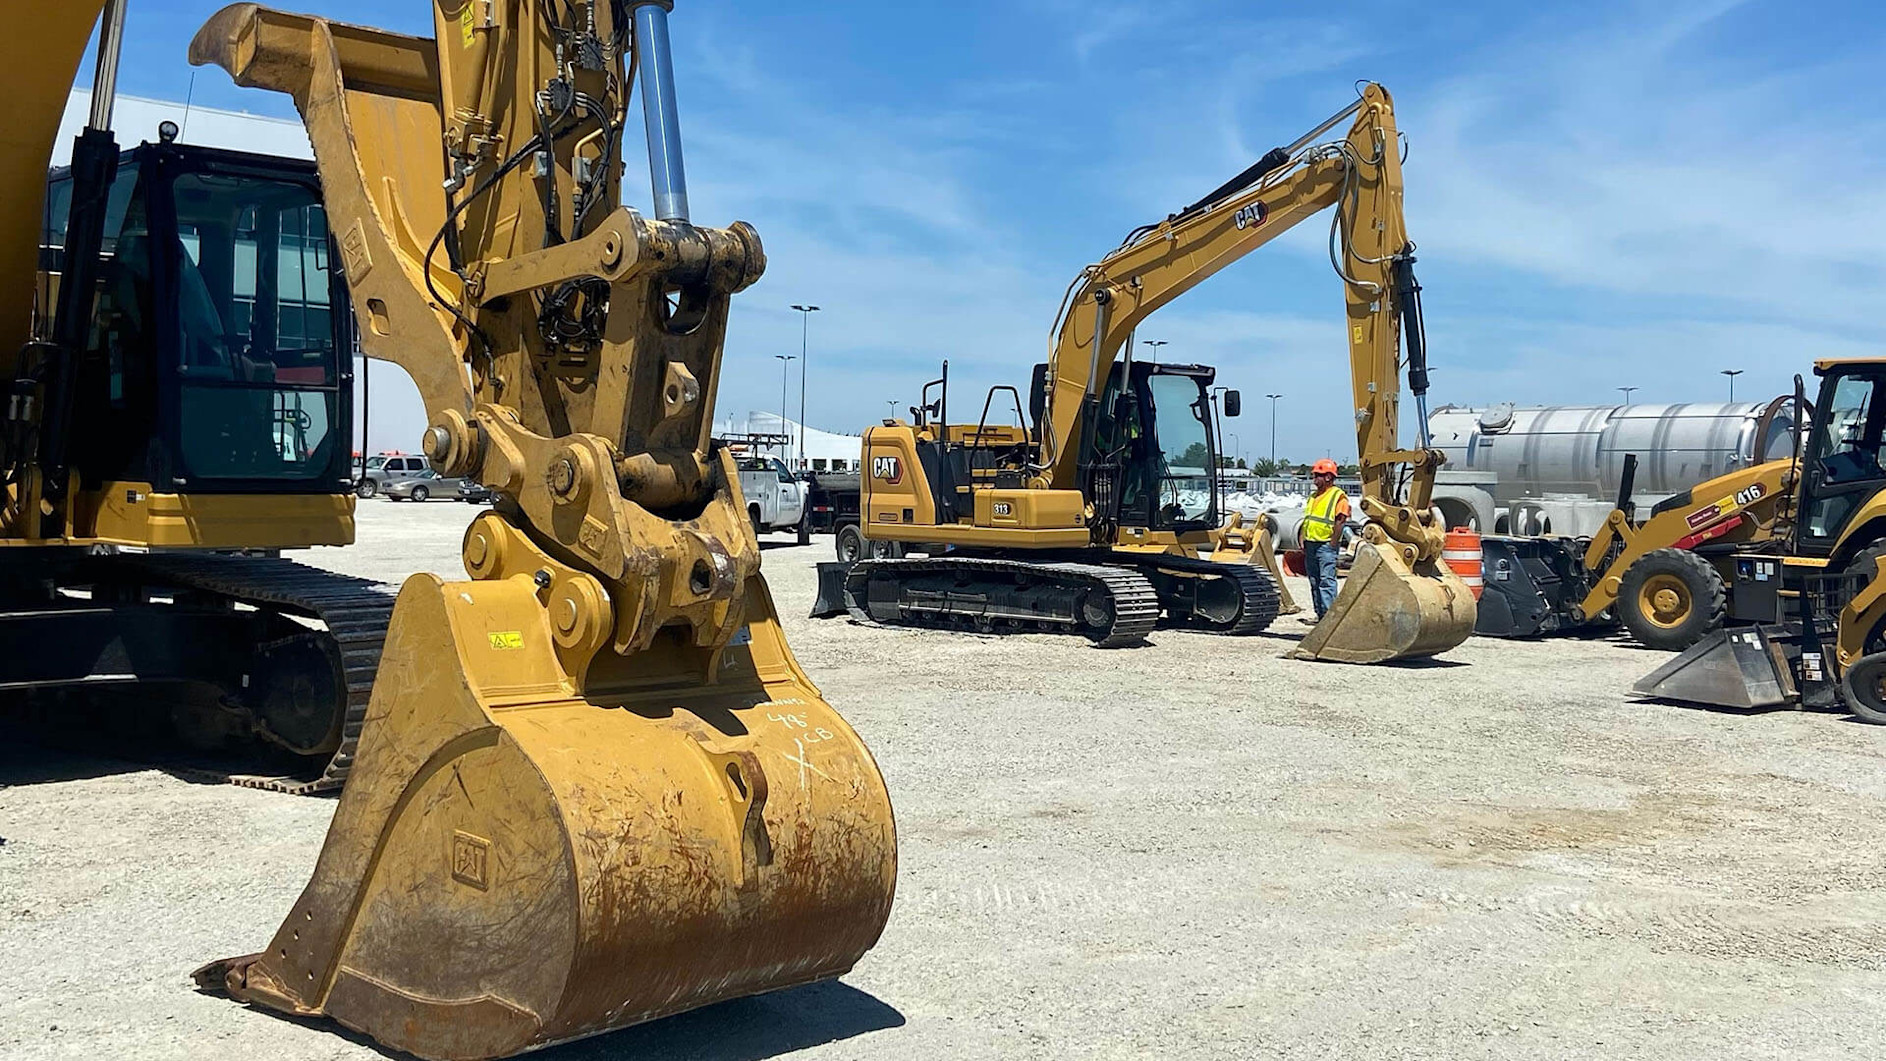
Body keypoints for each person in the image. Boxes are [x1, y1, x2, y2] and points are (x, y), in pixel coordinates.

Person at [1299, 458, 1350, 623]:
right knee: (1314, 580)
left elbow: (1340, 521)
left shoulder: (1338, 496)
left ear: (1328, 477)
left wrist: (1333, 542)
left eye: (1317, 475)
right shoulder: (1314, 496)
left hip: (1325, 545)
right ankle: (1320, 615)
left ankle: (1330, 619)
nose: (1314, 479)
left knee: (1327, 581)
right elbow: (1308, 519)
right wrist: (1302, 538)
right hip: (1311, 543)